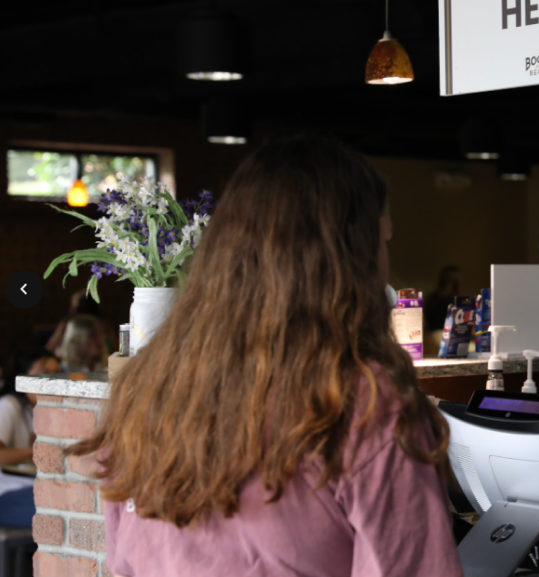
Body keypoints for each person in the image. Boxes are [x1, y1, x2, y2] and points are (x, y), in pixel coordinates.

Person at [68, 135, 463, 577]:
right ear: (351, 256)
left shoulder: (147, 387)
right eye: (383, 241)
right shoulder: (368, 400)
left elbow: (125, 563)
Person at [0, 349, 59, 527]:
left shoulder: (43, 408)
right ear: (22, 377)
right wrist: (41, 449)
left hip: (30, 486)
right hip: (7, 491)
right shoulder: (8, 405)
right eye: (44, 373)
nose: (53, 380)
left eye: (57, 373)